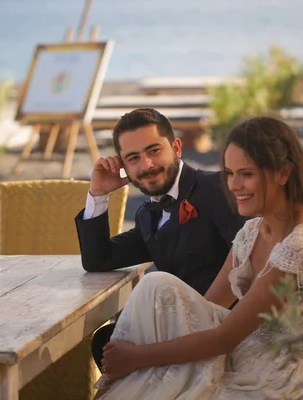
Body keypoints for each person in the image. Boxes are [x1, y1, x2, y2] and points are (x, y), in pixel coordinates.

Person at [93, 116, 303, 399]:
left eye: (247, 174)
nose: (234, 185)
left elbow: (224, 337)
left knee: (146, 376)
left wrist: (138, 357)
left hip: (285, 374)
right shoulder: (252, 232)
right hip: (244, 347)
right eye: (229, 173)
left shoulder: (300, 244)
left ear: (283, 174)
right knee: (156, 286)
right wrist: (97, 194)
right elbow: (209, 306)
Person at [74, 108, 247, 370]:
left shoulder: (216, 188)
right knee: (107, 341)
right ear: (123, 166)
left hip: (224, 334)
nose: (146, 165)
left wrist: (198, 324)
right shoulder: (147, 215)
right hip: (180, 331)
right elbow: (99, 259)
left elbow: (251, 263)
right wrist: (98, 194)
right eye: (133, 158)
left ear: (176, 147)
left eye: (154, 150)